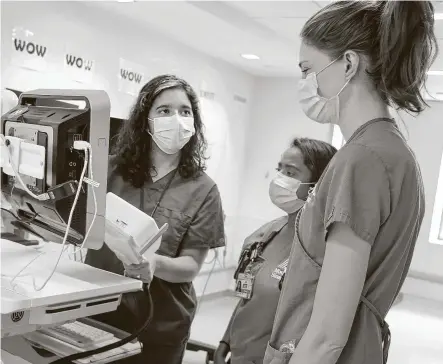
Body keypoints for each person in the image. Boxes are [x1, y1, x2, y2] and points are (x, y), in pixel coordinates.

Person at [263, 2, 439, 364]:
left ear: (348, 63)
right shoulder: (389, 151)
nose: (304, 83)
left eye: (307, 69)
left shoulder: (363, 158)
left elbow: (327, 335)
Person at [85, 74, 226, 363]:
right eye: (164, 110)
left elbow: (190, 266)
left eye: (185, 111)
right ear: (144, 120)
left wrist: (156, 263)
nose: (177, 119)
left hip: (159, 326)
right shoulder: (109, 169)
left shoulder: (204, 189)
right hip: (97, 311)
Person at [215, 138, 337, 364]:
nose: (279, 178)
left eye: (290, 172)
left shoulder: (327, 249)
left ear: (320, 183)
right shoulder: (263, 236)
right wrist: (226, 341)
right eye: (279, 169)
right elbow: (248, 296)